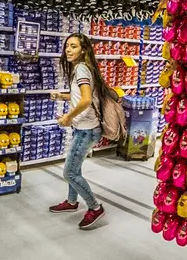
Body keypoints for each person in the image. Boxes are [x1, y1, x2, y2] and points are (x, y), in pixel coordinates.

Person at [49, 33, 106, 229]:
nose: (68, 50)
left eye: (73, 46)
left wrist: (68, 117)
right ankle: (72, 202)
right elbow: (80, 96)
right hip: (84, 128)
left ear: (83, 49)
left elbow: (86, 100)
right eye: (67, 46)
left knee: (70, 172)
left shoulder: (81, 68)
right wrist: (63, 97)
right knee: (75, 167)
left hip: (86, 130)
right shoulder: (82, 68)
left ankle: (95, 207)